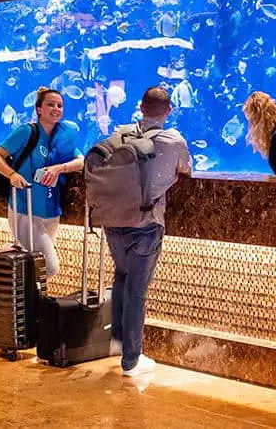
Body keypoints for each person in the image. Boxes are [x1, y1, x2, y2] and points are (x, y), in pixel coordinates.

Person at [106, 87, 192, 377]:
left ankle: (117, 341)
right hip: (146, 223)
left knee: (121, 277)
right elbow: (186, 171)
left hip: (113, 219)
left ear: (140, 107)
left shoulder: (121, 134)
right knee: (136, 291)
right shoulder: (174, 139)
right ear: (169, 111)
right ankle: (131, 360)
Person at [0, 87, 83, 278]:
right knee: (49, 267)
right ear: (39, 109)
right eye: (50, 104)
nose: (55, 109)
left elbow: (81, 161)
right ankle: (23, 299)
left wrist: (59, 168)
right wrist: (12, 175)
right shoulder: (26, 132)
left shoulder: (63, 135)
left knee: (35, 266)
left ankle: (29, 303)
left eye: (60, 105)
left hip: (51, 211)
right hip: (26, 208)